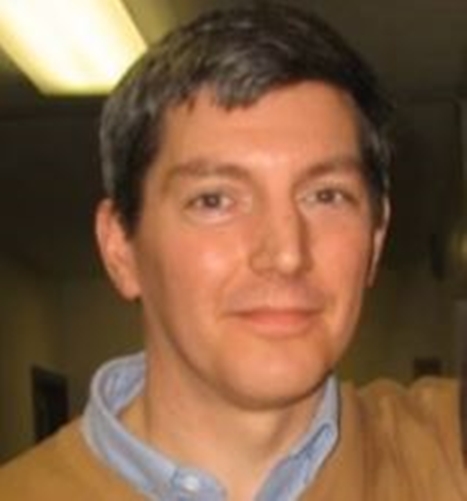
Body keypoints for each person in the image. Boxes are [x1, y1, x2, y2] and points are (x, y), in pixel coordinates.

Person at [0, 3, 466, 500]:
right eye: (214, 200)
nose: (286, 254)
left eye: (326, 196)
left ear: (375, 240)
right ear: (120, 250)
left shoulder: (447, 452)